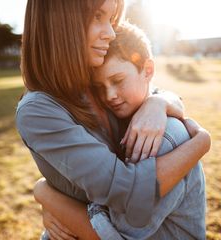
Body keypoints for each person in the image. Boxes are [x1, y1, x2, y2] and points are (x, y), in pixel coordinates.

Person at [15, 0, 211, 239]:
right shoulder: (38, 110)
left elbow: (156, 93)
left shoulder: (95, 85)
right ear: (61, 22)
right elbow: (127, 192)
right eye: (98, 16)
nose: (109, 32)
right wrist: (200, 143)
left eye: (111, 19)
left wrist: (157, 103)